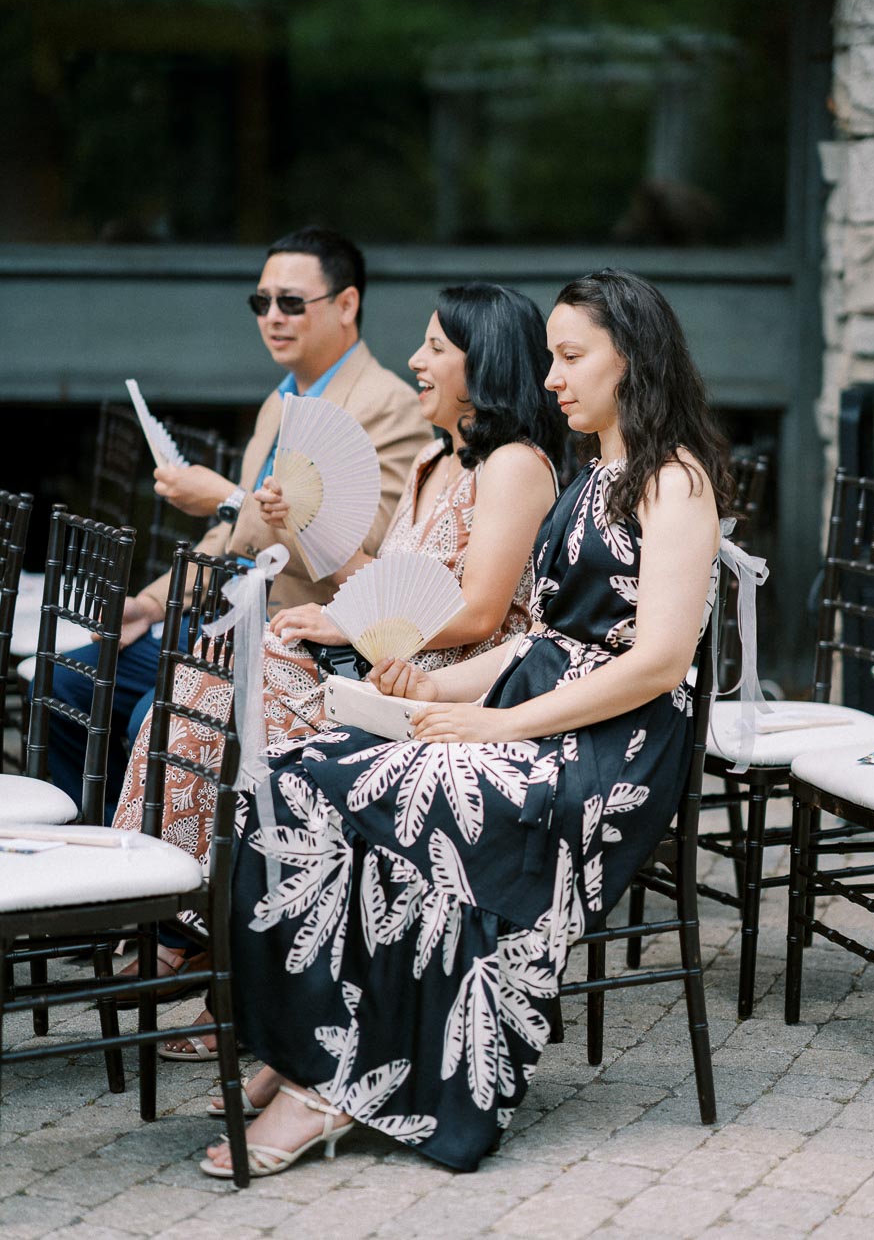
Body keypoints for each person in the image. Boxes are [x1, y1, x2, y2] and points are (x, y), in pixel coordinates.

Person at [202, 268, 732, 1179]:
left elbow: (657, 664)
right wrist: (433, 701)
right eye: (554, 357)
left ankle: (327, 1085)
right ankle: (312, 1050)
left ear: (633, 359)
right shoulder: (596, 473)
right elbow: (546, 640)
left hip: (609, 757)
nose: (553, 377)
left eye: (572, 357)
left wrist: (502, 727)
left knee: (353, 789)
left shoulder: (674, 480)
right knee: (299, 770)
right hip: (543, 715)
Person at [116, 282, 566, 1054]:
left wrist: (342, 620)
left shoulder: (515, 465)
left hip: (444, 692)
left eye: (434, 347)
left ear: (480, 363)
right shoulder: (433, 460)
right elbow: (379, 576)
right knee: (200, 681)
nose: (415, 361)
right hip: (381, 669)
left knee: (245, 711)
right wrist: (310, 533)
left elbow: (484, 612)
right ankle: (182, 914)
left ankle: (224, 963)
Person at [45, 226, 431, 813]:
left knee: (157, 715)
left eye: (292, 302)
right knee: (65, 683)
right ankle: (91, 862)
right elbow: (232, 540)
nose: (272, 317)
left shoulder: (389, 406)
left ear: (347, 304)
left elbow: (363, 554)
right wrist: (149, 605)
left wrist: (229, 496)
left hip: (294, 639)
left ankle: (162, 881)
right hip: (221, 616)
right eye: (262, 302)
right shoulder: (281, 399)